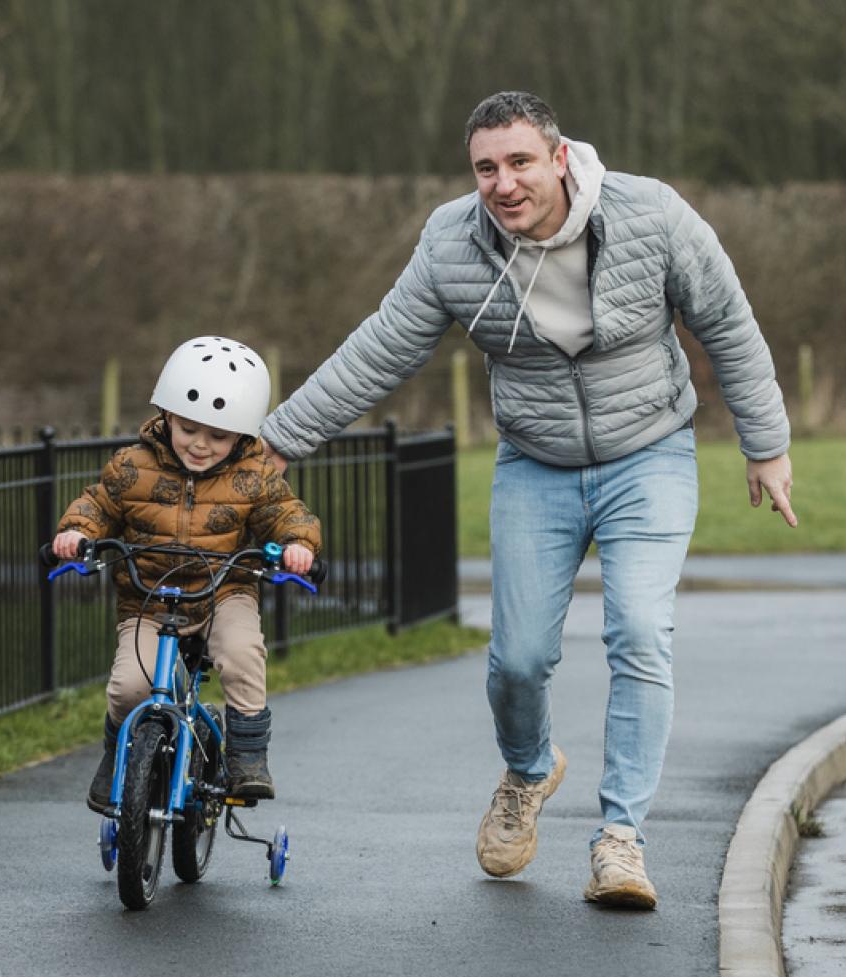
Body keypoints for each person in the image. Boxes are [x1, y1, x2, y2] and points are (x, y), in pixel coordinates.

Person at [259, 91, 795, 911]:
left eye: (517, 163)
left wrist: (766, 444)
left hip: (648, 453)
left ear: (558, 157)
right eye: (485, 168)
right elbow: (379, 349)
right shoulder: (453, 244)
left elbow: (727, 322)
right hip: (535, 465)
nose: (502, 184)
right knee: (517, 661)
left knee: (642, 633)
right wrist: (277, 442)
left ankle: (621, 841)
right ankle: (529, 769)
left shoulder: (650, 214)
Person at [54, 336, 322, 814]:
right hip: (149, 601)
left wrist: (299, 546)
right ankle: (117, 753)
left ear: (240, 435)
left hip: (225, 594)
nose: (201, 445)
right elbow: (96, 503)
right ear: (166, 416)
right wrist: (76, 533)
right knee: (130, 687)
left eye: (218, 436)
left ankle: (247, 757)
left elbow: (286, 513)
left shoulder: (254, 475)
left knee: (242, 655)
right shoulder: (131, 466)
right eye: (189, 428)